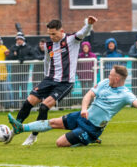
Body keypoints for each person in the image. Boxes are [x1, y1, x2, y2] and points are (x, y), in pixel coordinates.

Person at [8, 65, 137, 147]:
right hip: (83, 116)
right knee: (53, 122)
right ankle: (21, 127)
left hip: (91, 128)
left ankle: (91, 139)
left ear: (118, 78)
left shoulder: (125, 94)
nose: (108, 76)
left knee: (59, 143)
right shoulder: (105, 83)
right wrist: (84, 109)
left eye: (111, 75)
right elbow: (89, 95)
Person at [7, 16, 98, 146]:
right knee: (28, 102)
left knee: (44, 107)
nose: (51, 37)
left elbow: (83, 32)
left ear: (61, 31)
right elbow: (46, 61)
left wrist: (89, 24)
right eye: (49, 34)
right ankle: (14, 129)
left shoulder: (72, 40)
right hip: (49, 79)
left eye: (54, 34)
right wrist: (45, 78)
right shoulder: (48, 45)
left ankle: (33, 136)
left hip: (65, 82)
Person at [7, 32, 37, 107]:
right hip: (15, 73)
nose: (19, 41)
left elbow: (33, 56)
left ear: (23, 40)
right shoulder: (13, 47)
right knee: (16, 90)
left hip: (24, 72)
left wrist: (24, 59)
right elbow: (9, 57)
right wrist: (14, 56)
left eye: (20, 39)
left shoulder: (28, 47)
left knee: (24, 90)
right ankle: (16, 106)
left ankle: (24, 106)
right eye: (17, 39)